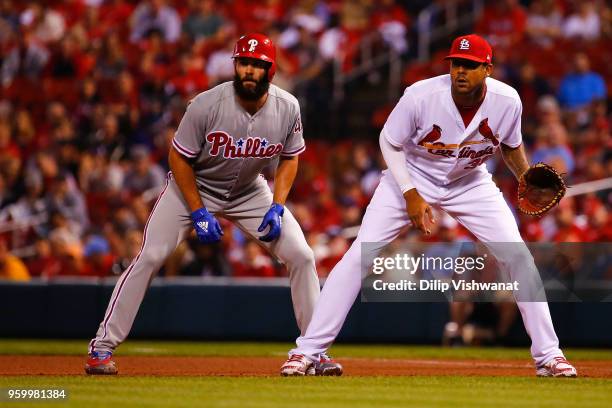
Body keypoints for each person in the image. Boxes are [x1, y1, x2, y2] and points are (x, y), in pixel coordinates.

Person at [280, 34, 577, 378]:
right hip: (411, 174)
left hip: (470, 181)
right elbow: (389, 143)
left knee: (518, 256)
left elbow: (510, 144)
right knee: (360, 254)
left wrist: (524, 174)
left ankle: (549, 356)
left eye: (469, 65)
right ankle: (307, 352)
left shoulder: (507, 100)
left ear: (488, 69)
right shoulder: (421, 95)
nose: (460, 71)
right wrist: (410, 194)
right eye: (456, 63)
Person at [85, 33, 321, 375]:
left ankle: (313, 352)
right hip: (193, 187)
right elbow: (178, 159)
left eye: (258, 65)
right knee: (150, 256)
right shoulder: (206, 104)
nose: (250, 71)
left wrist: (278, 204)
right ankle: (101, 347)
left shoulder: (288, 107)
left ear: (271, 71)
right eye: (244, 63)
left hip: (250, 191)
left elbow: (290, 158)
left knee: (302, 255)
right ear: (235, 66)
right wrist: (197, 210)